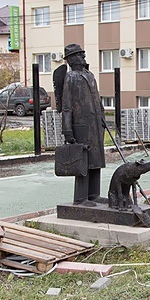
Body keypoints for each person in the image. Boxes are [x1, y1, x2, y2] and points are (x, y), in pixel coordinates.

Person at [57, 43, 106, 203]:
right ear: (71, 59)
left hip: (95, 124)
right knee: (83, 160)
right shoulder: (70, 77)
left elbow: (97, 98)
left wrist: (102, 117)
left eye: (83, 54)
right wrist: (67, 129)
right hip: (81, 126)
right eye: (80, 54)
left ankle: (94, 194)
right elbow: (66, 105)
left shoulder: (90, 75)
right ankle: (80, 198)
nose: (83, 57)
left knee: (96, 159)